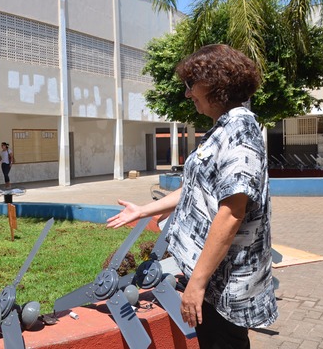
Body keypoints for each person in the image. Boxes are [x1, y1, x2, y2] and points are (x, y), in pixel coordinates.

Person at [107, 44, 277, 348]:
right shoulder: (224, 128)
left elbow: (231, 213)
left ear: (215, 84)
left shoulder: (239, 132)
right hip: (212, 276)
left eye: (190, 85)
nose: (188, 94)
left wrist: (196, 285)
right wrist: (142, 210)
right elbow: (196, 190)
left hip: (222, 281)